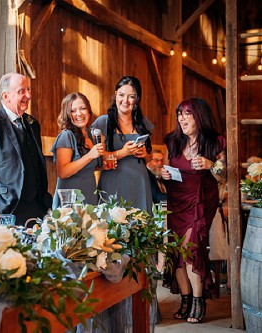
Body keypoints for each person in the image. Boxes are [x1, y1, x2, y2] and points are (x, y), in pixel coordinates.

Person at [161, 97, 226, 324]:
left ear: (199, 115)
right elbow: (164, 170)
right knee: (176, 253)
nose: (182, 118)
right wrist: (163, 174)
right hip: (175, 201)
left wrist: (211, 165)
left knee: (190, 251)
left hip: (200, 202)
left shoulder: (215, 142)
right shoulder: (173, 141)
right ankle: (186, 300)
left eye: (187, 113)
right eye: (180, 114)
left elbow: (224, 175)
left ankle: (199, 302)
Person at [0, 73, 52, 225]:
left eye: (29, 90)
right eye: (22, 91)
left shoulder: (33, 124)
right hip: (8, 207)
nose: (28, 95)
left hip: (38, 206)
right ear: (6, 95)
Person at [91, 76, 154, 213]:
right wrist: (123, 152)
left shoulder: (143, 123)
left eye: (131, 96)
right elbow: (96, 158)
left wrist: (145, 154)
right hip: (113, 182)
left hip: (139, 183)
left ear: (137, 99)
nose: (125, 101)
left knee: (141, 229)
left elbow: (150, 158)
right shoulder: (103, 122)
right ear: (115, 94)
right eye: (121, 95)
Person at [51, 92, 105, 208]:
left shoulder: (91, 135)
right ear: (67, 114)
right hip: (70, 200)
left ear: (89, 111)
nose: (79, 114)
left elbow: (86, 168)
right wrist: (90, 156)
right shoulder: (66, 136)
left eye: (82, 108)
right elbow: (63, 172)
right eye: (73, 111)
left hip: (89, 194)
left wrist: (104, 165)